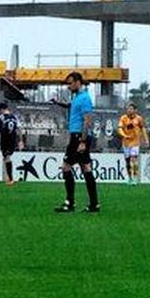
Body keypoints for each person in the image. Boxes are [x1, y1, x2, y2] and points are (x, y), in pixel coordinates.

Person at [55, 71, 99, 213]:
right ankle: (94, 204)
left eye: (70, 83)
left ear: (78, 82)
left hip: (78, 137)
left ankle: (70, 203)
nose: (69, 86)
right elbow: (70, 106)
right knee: (86, 168)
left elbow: (87, 120)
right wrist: (57, 103)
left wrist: (82, 141)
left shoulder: (85, 98)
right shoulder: (77, 98)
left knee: (66, 167)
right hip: (78, 136)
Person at [117, 102, 148, 184]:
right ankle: (130, 178)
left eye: (131, 109)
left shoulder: (139, 119)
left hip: (135, 142)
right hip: (126, 143)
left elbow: (143, 129)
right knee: (127, 161)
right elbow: (119, 128)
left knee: (133, 160)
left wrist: (146, 139)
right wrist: (124, 135)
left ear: (135, 110)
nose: (129, 110)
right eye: (128, 109)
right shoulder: (123, 118)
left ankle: (135, 178)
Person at [0, 102, 21, 186]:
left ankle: (10, 179)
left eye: (0, 110)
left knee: (7, 157)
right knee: (6, 157)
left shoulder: (1, 117)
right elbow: (19, 129)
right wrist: (20, 141)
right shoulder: (14, 117)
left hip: (5, 140)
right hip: (13, 140)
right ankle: (6, 178)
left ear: (1, 109)